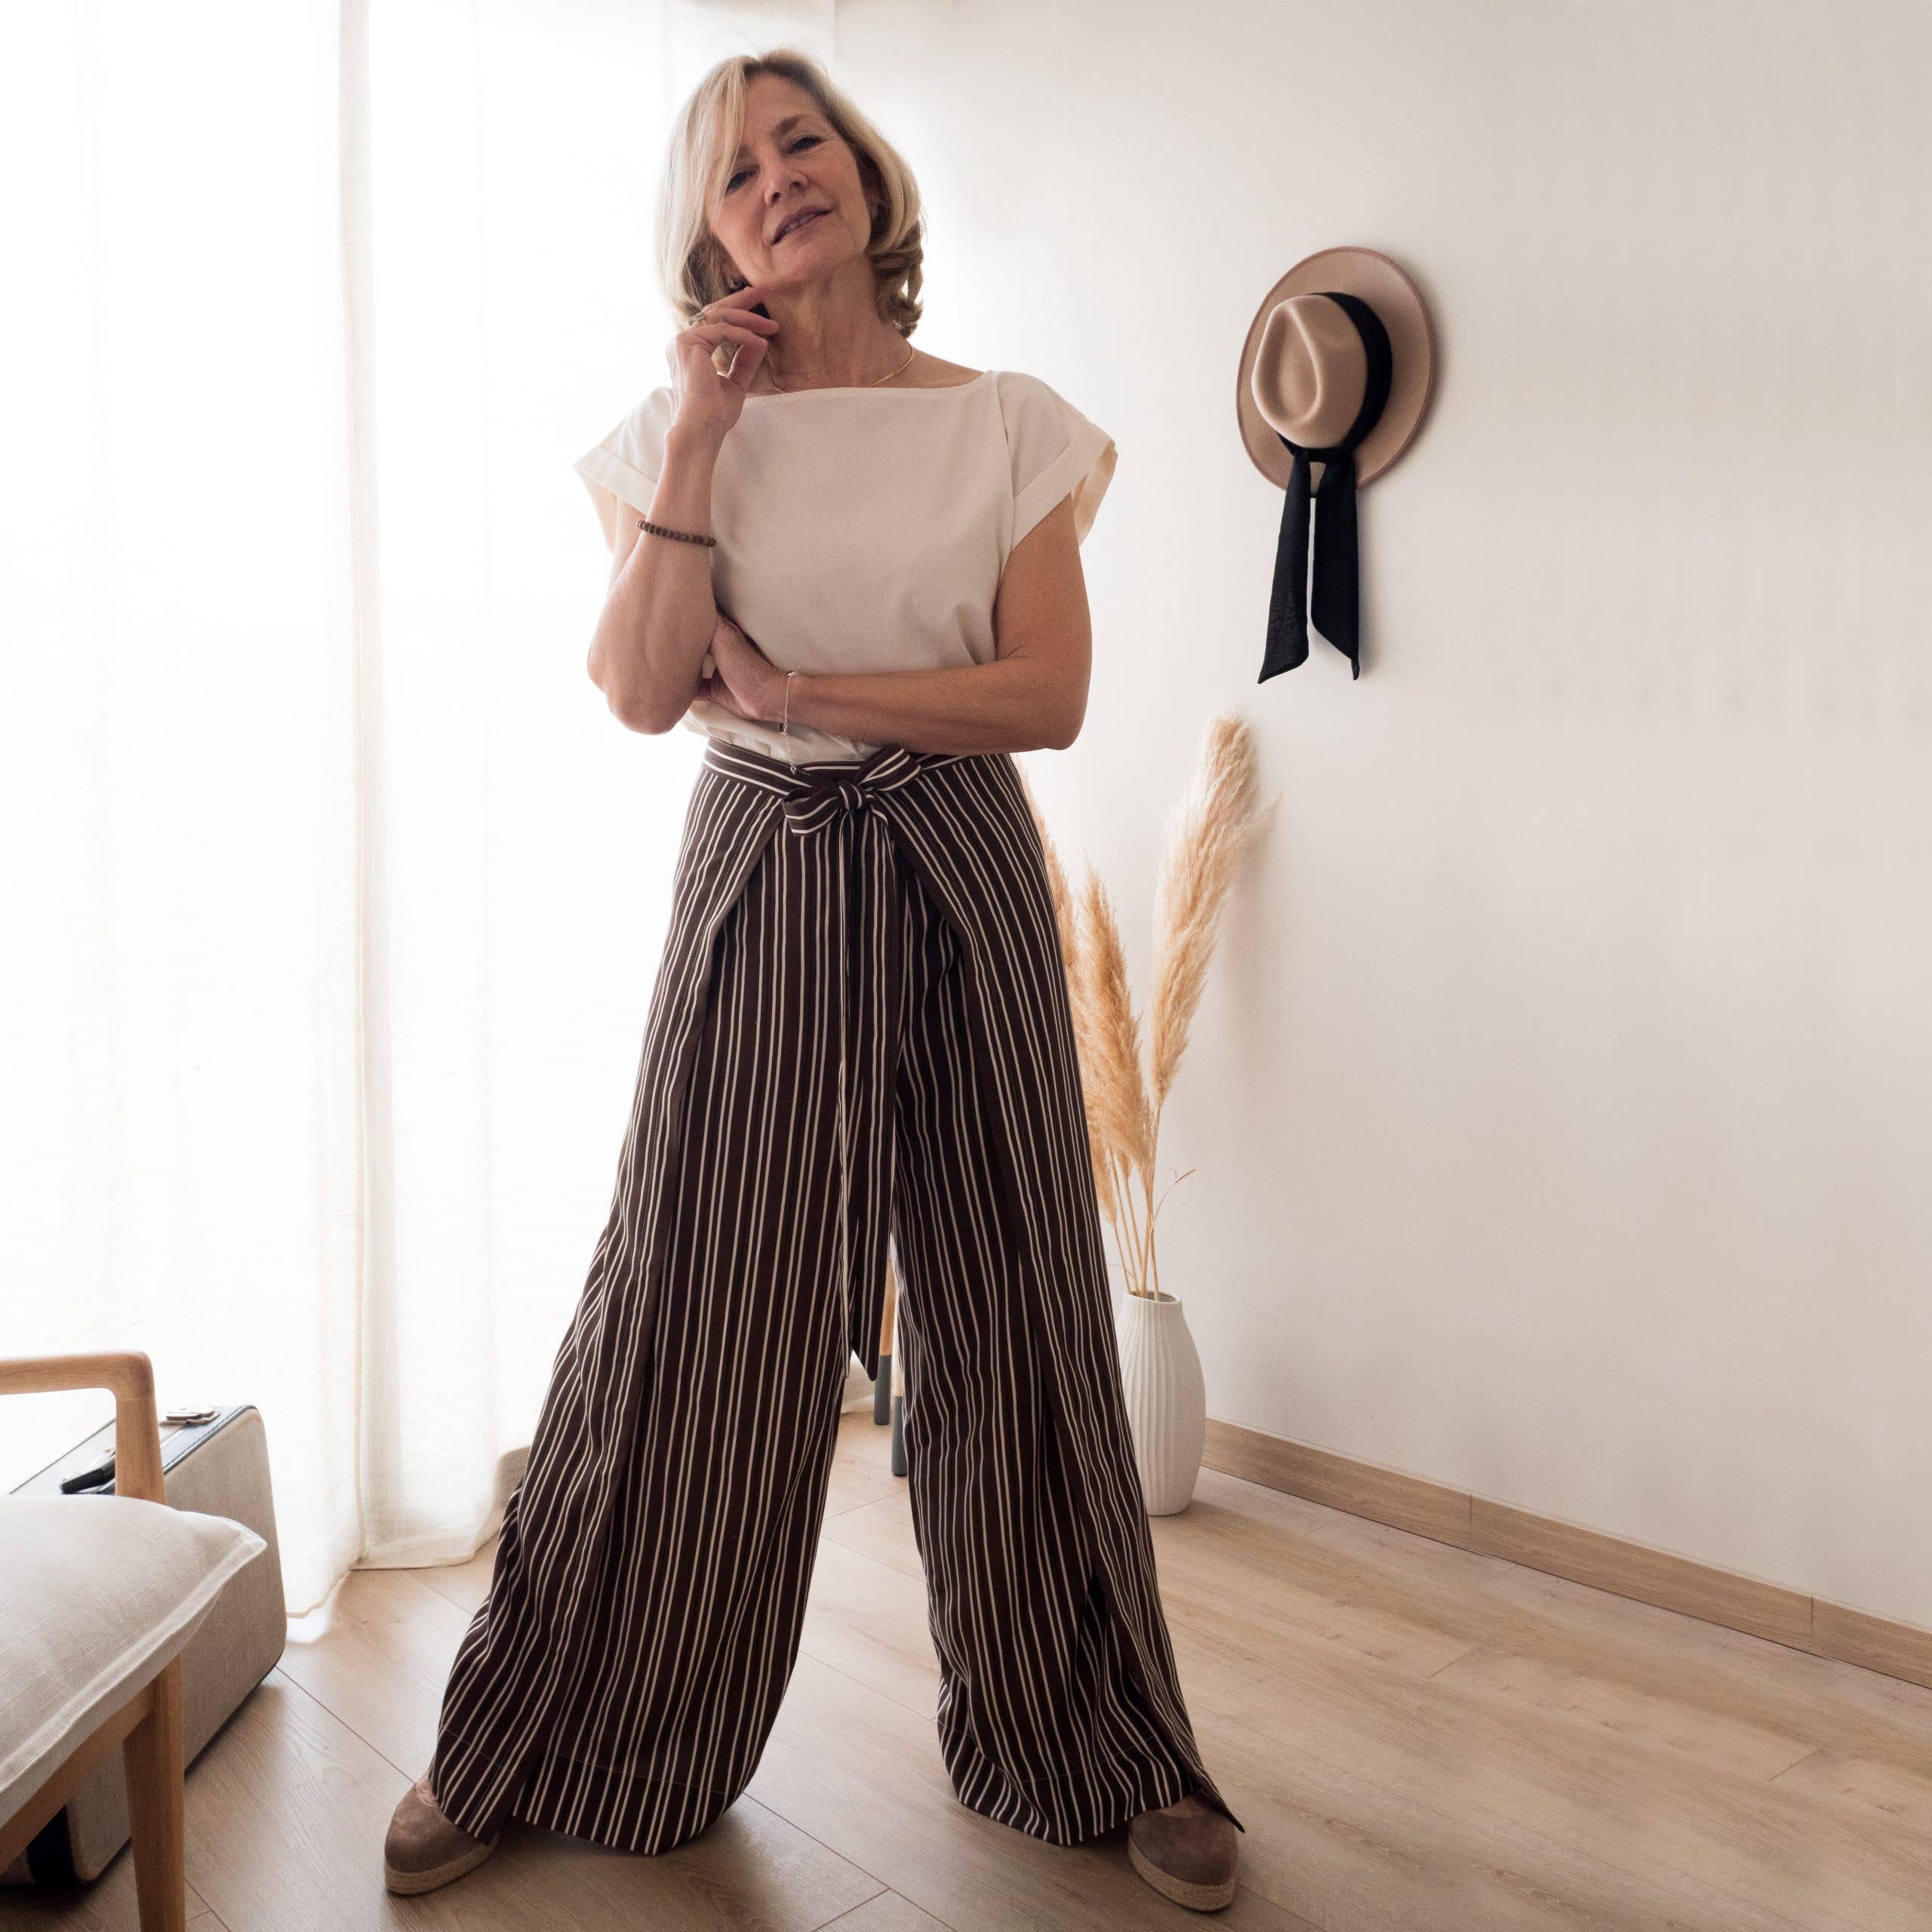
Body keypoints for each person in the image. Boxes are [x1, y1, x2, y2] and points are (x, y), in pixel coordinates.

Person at [382, 45, 1243, 1914]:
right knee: (684, 1304)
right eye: (736, 167)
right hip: (758, 869)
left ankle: (1106, 1745)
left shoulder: (1007, 422)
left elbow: (1044, 694)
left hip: (954, 860)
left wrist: (795, 690)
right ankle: (538, 1733)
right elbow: (638, 688)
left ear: (864, 171)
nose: (780, 173)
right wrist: (700, 439)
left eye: (804, 139)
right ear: (705, 235)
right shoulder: (664, 434)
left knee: (1017, 1302)